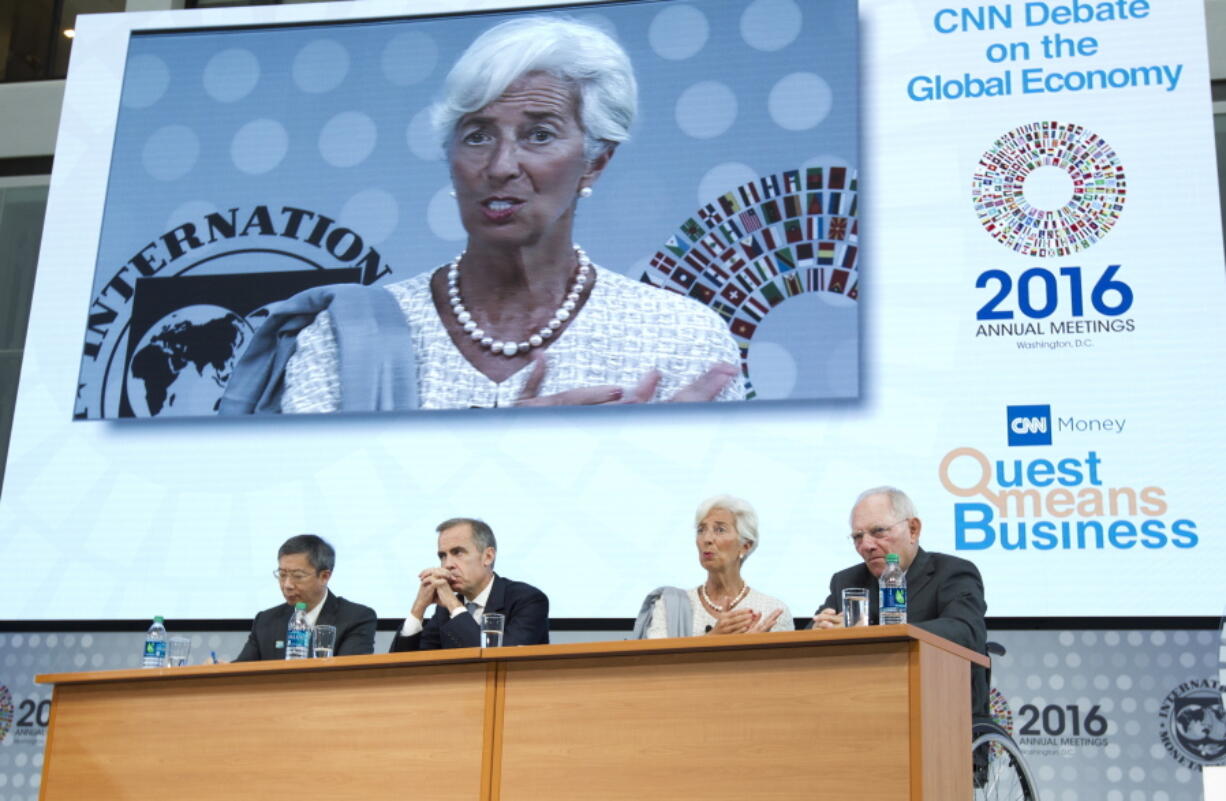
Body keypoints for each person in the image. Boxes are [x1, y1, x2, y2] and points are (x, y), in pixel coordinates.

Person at [282, 16, 745, 411]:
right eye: (478, 136)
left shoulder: (680, 337)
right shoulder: (349, 338)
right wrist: (500, 447)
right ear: (450, 156)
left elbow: (730, 513)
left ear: (596, 162)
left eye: (539, 135)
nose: (501, 166)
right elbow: (304, 511)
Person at [810, 486, 989, 719]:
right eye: (858, 536)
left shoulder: (951, 573)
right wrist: (820, 629)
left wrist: (872, 634)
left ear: (913, 529)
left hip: (943, 716)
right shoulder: (847, 581)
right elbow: (813, 631)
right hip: (863, 713)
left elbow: (966, 632)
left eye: (878, 531)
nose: (866, 545)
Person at [632, 495, 793, 638]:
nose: (706, 539)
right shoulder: (669, 605)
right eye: (701, 530)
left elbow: (788, 671)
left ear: (745, 546)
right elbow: (658, 665)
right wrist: (713, 638)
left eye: (720, 530)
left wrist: (750, 650)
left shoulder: (773, 610)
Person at [390, 518, 549, 651]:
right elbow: (403, 669)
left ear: (488, 556)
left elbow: (500, 661)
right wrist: (418, 608)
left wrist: (453, 604)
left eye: (457, 552)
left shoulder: (528, 600)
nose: (447, 564)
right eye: (443, 556)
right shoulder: (444, 612)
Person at [234, 534, 377, 661]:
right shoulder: (266, 621)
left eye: (297, 576)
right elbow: (242, 671)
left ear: (324, 576)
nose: (287, 585)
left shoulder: (356, 618)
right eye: (282, 574)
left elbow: (350, 675)